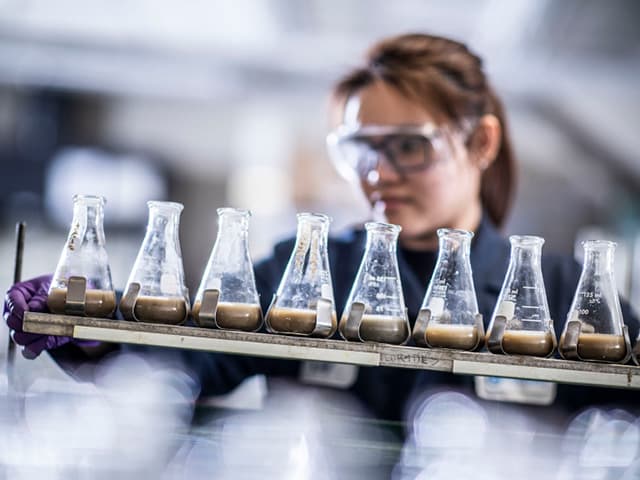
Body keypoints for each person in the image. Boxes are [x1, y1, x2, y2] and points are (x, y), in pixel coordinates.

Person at [5, 33, 639, 421]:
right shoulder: (301, 274)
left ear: (481, 143)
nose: (378, 175)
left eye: (408, 148)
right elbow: (183, 364)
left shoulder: (565, 295)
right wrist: (91, 336)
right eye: (360, 150)